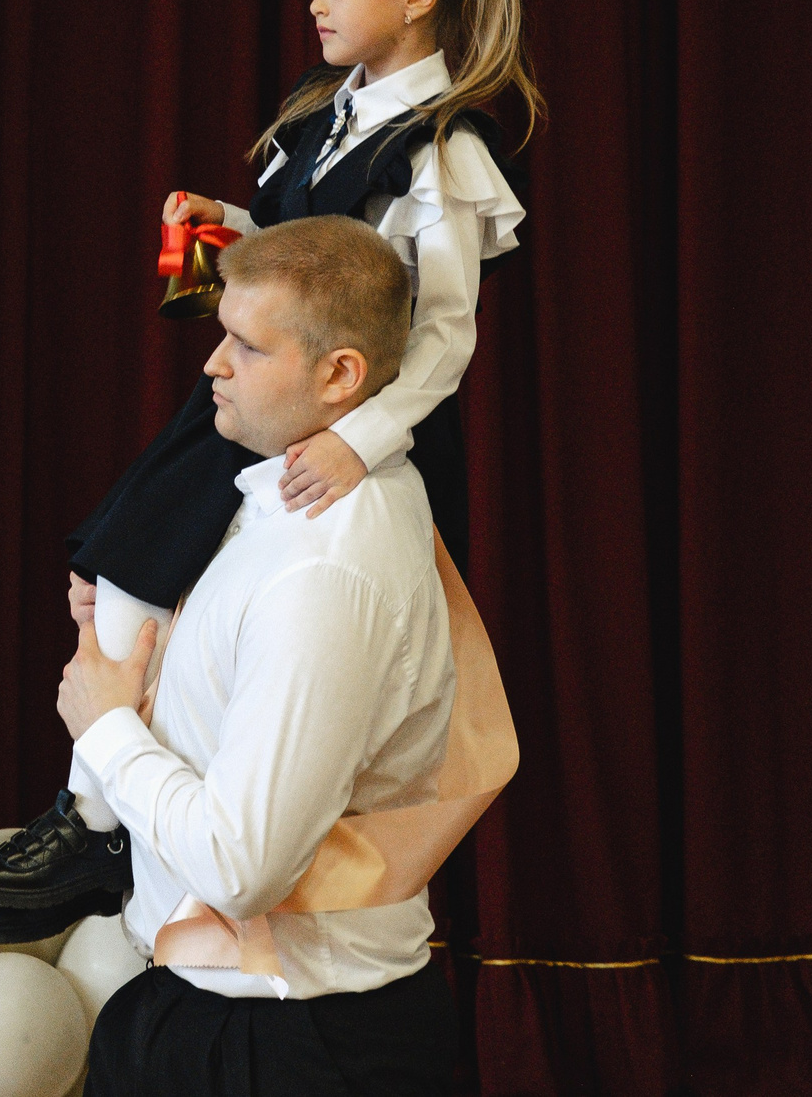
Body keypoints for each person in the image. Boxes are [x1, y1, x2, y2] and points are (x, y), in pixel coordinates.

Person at [0, 0, 542, 940]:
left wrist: (353, 438)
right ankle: (99, 812)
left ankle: (97, 816)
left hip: (319, 424)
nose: (315, 3)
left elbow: (441, 334)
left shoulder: (440, 149)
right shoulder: (318, 120)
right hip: (253, 402)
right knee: (115, 564)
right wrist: (221, 225)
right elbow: (307, 251)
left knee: (133, 565)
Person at [61, 217, 491, 1096]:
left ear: (341, 375)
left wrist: (105, 728)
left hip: (291, 1045)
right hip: (220, 1016)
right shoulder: (280, 495)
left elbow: (241, 865)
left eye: (247, 346)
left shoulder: (330, 568)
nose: (213, 364)